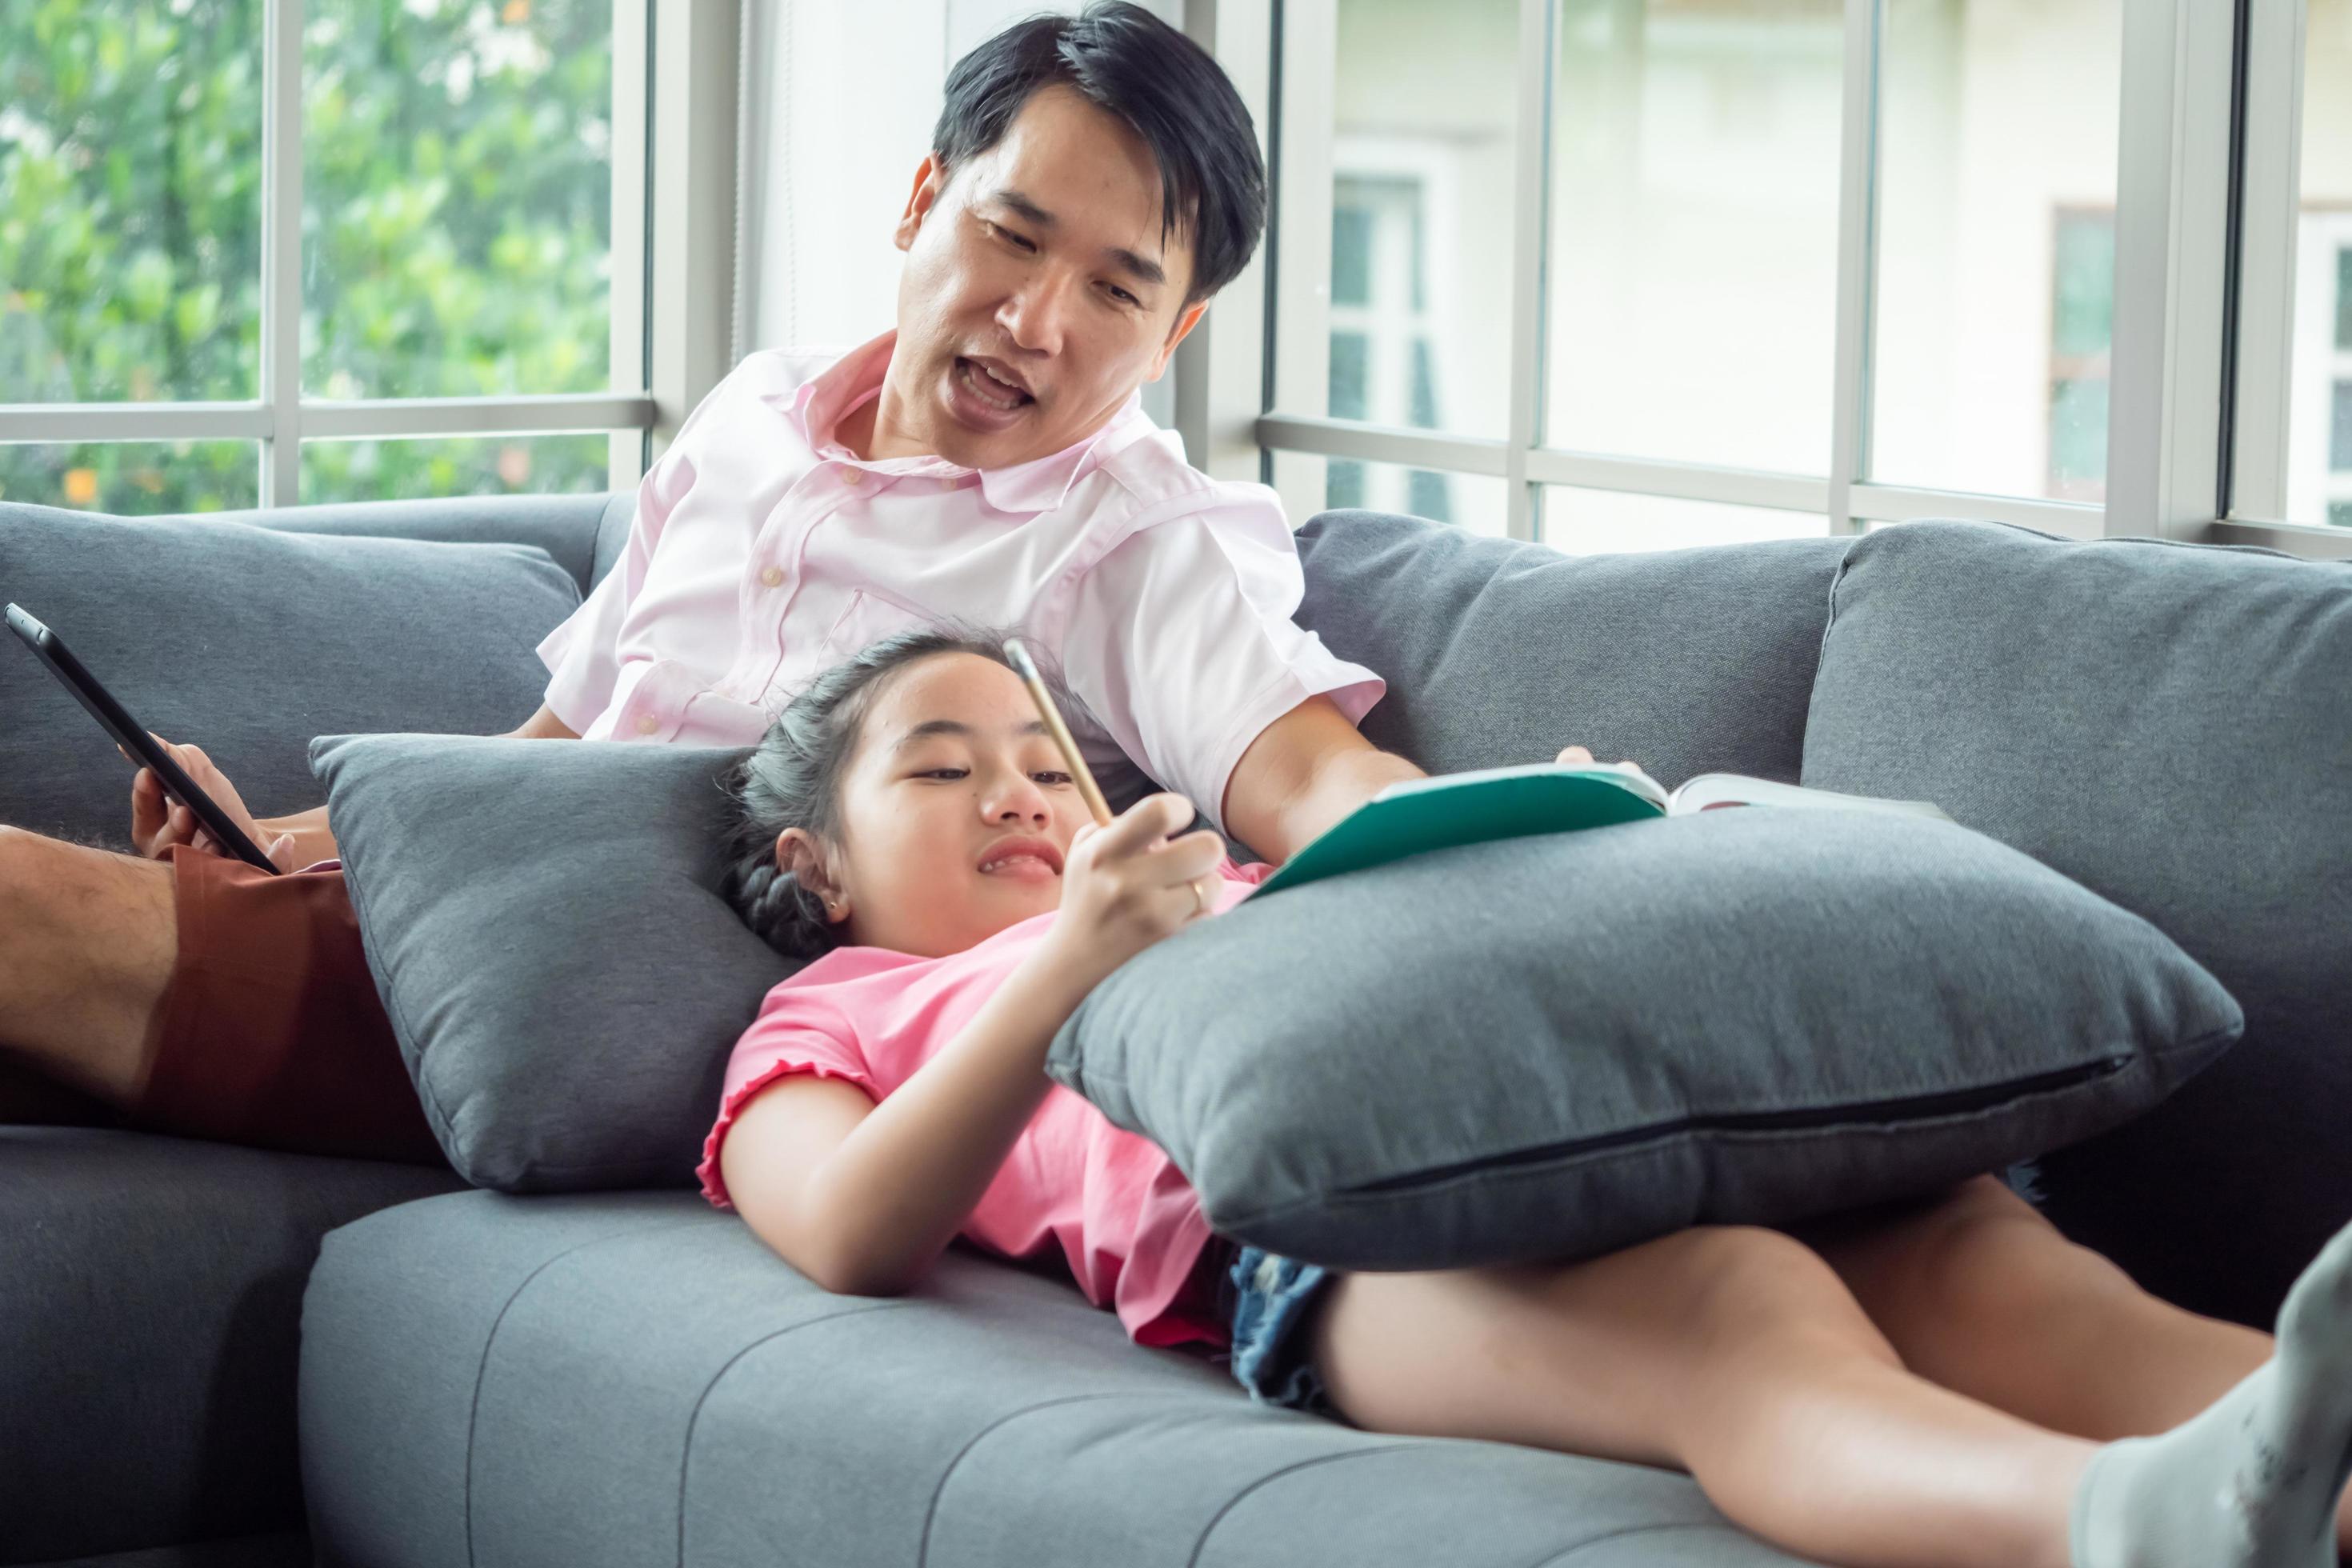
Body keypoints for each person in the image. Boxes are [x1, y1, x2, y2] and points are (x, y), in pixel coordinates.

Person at [0, 3, 1456, 1162]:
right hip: (506, 925)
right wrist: (280, 839)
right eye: (1011, 236)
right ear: (922, 201)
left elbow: (1309, 777)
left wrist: (1541, 833)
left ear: (1175, 333)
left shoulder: (1143, 534)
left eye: (1116, 290)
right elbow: (550, 759)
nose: (1033, 319)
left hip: (684, 1014)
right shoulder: (754, 418)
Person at [700, 628, 2352, 1568]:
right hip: (1328, 1247)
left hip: (1631, 1096)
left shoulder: (1244, 879)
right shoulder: (837, 1007)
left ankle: (2317, 1468)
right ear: (815, 859)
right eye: (938, 762)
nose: (1017, 787)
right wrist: (1067, 962)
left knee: (1986, 1256)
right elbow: (849, 1228)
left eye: (1050, 760)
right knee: (1737, 1300)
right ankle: (2119, 1526)